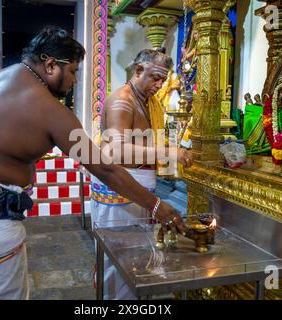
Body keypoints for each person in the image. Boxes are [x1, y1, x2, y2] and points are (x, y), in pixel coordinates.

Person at [0, 26, 186, 300]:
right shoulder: (52, 112)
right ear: (50, 65)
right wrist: (156, 205)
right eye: (73, 71)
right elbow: (104, 167)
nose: (75, 81)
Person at [92, 49, 193, 299]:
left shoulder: (149, 101)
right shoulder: (122, 101)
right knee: (118, 259)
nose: (159, 85)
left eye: (163, 79)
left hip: (138, 185)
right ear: (139, 71)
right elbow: (115, 150)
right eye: (155, 78)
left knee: (136, 257)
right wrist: (169, 153)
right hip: (120, 188)